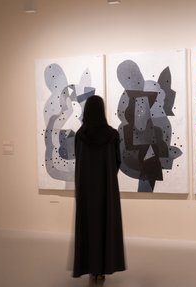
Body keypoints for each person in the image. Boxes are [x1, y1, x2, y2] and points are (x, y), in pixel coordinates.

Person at [73, 95, 126, 281]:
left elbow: (78, 160)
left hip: (86, 189)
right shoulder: (112, 135)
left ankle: (90, 267)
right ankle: (102, 269)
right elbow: (117, 162)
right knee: (105, 225)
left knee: (88, 226)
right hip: (106, 188)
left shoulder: (80, 135)